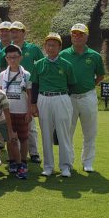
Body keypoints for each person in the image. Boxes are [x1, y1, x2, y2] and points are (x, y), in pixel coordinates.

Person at [0, 21, 44, 163]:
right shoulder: (5, 50)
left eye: (17, 31)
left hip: (26, 94)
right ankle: (14, 159)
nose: (14, 33)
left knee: (30, 129)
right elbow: (0, 69)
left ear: (23, 32)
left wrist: (34, 101)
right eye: (11, 31)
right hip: (9, 100)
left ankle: (33, 153)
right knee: (11, 134)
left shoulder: (33, 48)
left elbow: (41, 66)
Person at [30, 32, 77, 177]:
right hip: (43, 98)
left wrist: (62, 97)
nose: (51, 48)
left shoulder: (66, 65)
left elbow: (71, 85)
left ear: (59, 47)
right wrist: (33, 104)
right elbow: (35, 85)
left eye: (54, 45)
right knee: (46, 133)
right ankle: (48, 166)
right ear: (45, 46)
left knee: (63, 133)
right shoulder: (38, 64)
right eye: (48, 45)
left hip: (61, 98)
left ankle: (65, 166)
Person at [60, 23, 105, 172]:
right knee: (67, 132)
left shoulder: (94, 56)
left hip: (87, 97)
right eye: (74, 34)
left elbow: (100, 76)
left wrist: (89, 86)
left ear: (86, 37)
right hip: (69, 98)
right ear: (71, 36)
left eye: (81, 34)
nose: (77, 37)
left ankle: (87, 162)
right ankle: (68, 162)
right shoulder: (63, 54)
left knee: (90, 132)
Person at [0, 44, 32, 179]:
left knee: (23, 138)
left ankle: (23, 162)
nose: (12, 60)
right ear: (6, 59)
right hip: (8, 112)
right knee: (10, 138)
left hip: (22, 111)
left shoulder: (26, 74)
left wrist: (29, 111)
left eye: (15, 57)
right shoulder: (2, 75)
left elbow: (30, 94)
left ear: (20, 58)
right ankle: (12, 161)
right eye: (9, 57)